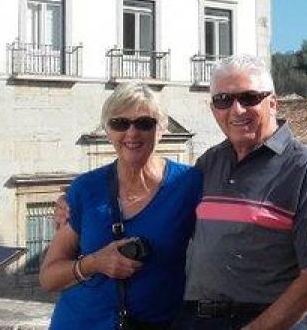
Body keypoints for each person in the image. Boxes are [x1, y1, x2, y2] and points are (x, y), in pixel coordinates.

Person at [174, 54, 307, 329]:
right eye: (223, 100)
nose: (236, 110)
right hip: (198, 319)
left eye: (249, 98)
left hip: (265, 321)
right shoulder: (209, 162)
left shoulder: (305, 169)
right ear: (213, 108)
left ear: (273, 103)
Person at [41, 83, 204, 330]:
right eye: (120, 124)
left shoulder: (188, 184)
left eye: (144, 123)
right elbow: (48, 278)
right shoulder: (86, 188)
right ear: (108, 131)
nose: (132, 133)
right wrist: (94, 263)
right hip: (79, 322)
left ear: (161, 129)